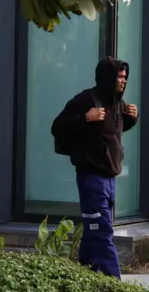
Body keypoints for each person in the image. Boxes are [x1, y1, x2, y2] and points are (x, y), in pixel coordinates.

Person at [51, 56, 138, 279]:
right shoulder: (86, 100)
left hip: (110, 178)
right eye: (119, 76)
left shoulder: (117, 104)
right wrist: (85, 118)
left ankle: (86, 275)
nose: (123, 81)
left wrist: (131, 119)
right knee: (102, 232)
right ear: (108, 77)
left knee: (94, 230)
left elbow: (109, 135)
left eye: (125, 77)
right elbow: (57, 127)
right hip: (91, 178)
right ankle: (115, 285)